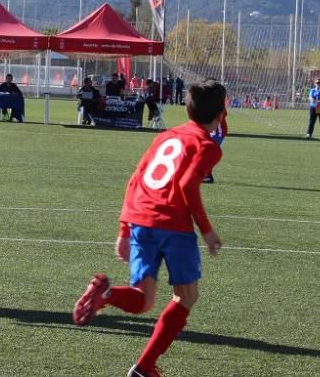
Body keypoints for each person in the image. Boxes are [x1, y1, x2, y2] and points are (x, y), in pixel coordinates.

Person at [72, 80, 227, 377]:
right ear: (221, 113)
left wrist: (124, 229)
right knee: (186, 296)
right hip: (173, 225)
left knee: (143, 301)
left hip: (141, 218)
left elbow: (135, 179)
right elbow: (185, 186)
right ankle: (144, 367)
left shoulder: (167, 136)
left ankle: (106, 295)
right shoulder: (207, 146)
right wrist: (206, 229)